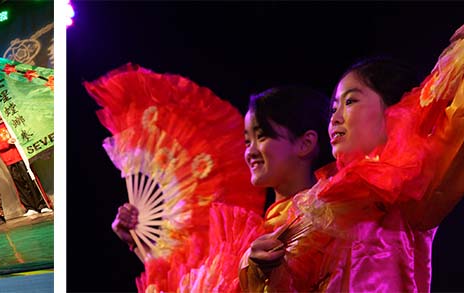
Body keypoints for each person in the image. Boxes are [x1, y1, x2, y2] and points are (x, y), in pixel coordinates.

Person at [241, 0, 464, 290]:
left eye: (351, 101)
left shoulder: (408, 188)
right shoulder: (318, 205)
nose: (336, 118)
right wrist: (258, 266)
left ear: (394, 110)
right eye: (332, 109)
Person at [111, 86, 333, 291]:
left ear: (305, 144)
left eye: (262, 136)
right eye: (247, 141)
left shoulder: (328, 219)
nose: (250, 152)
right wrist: (141, 244)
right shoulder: (253, 231)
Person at [0, 106, 52, 218]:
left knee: (31, 181)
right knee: (20, 184)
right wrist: (8, 142)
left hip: (21, 156)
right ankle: (30, 207)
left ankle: (42, 205)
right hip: (9, 161)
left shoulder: (12, 124)